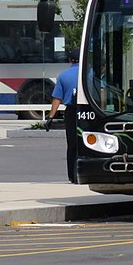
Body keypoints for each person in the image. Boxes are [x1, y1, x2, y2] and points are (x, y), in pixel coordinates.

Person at [45, 48, 80, 183]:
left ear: (70, 60)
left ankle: (72, 175)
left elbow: (57, 99)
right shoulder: (90, 73)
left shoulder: (63, 75)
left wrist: (51, 117)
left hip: (71, 112)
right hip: (88, 111)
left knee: (72, 145)